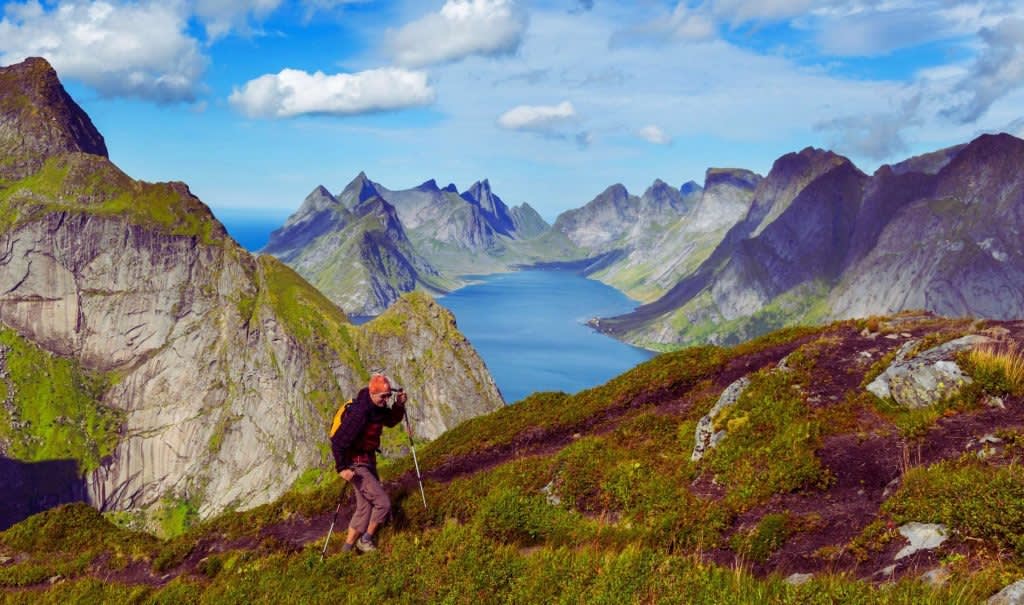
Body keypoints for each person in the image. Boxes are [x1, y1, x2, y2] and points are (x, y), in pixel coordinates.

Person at [330, 373, 407, 553]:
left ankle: (346, 550)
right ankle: (365, 540)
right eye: (383, 396)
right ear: (373, 393)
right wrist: (342, 468)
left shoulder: (377, 407)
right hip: (356, 465)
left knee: (364, 507)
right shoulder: (360, 414)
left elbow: (390, 420)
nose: (386, 400)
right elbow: (338, 442)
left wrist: (398, 405)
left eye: (389, 396)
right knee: (383, 503)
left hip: (368, 460)